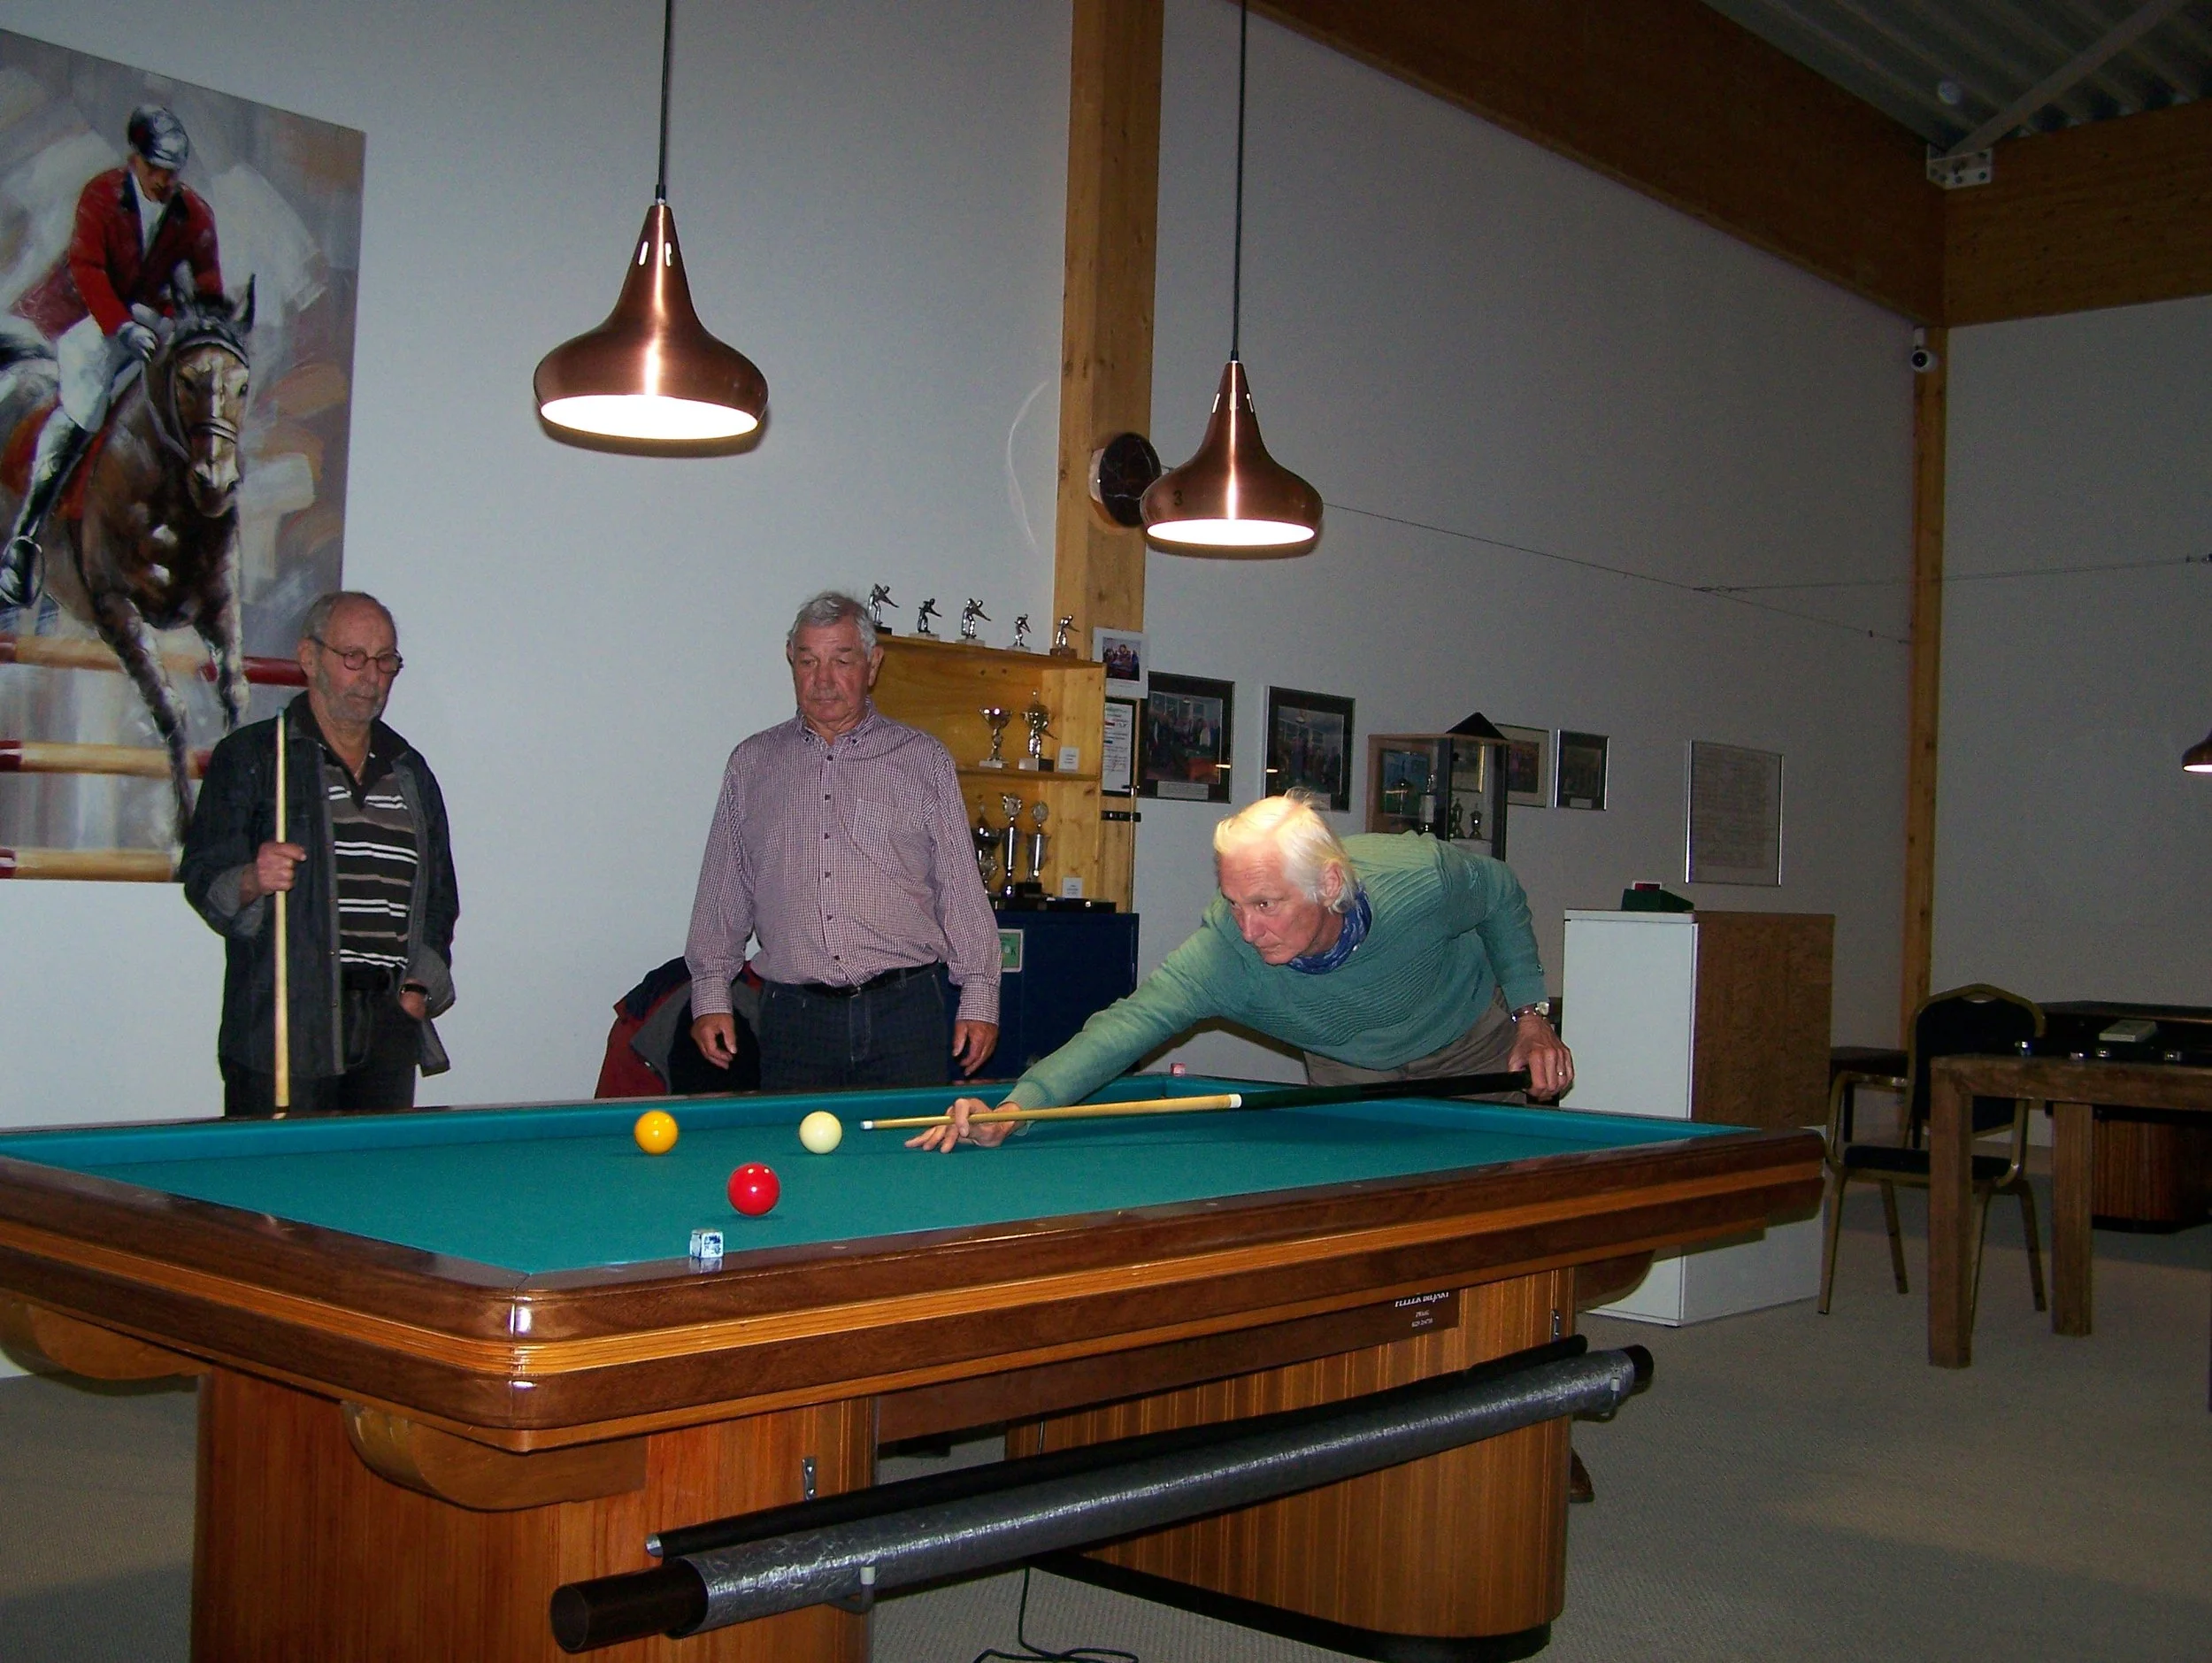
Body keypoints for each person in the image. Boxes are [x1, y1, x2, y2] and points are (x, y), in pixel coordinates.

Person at [917, 789, 1571, 1148]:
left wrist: (1532, 1015)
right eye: (1234, 902)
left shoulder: (1418, 879)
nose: (1248, 928)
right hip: (1352, 1065)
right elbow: (1126, 1026)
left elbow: (1501, 893)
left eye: (1266, 904)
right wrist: (1021, 1105)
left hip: (1467, 1040)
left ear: (1330, 883)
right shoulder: (1226, 951)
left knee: (1503, 1188)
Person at [686, 590, 1000, 1090]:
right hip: (795, 1019)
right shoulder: (752, 763)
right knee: (798, 1161)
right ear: (791, 659)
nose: (823, 680)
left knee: (907, 1162)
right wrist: (710, 994)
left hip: (907, 1013)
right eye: (808, 661)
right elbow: (724, 888)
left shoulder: (923, 760)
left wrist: (980, 997)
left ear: (873, 665)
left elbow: (959, 890)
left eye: (841, 660)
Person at [180, 592, 458, 1116]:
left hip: (386, 1028)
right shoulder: (254, 757)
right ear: (309, 658)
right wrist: (253, 879)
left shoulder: (410, 771)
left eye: (385, 660)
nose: (371, 675)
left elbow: (439, 901)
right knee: (273, 1192)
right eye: (353, 656)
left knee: (372, 1191)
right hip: (284, 1027)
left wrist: (418, 988)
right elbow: (203, 879)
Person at [2, 106, 224, 608]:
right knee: (84, 410)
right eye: (156, 170)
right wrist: (121, 328)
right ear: (135, 161)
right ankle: (25, 537)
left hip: (158, 322)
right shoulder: (102, 195)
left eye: (172, 172)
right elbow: (88, 268)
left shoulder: (196, 214)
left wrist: (193, 331)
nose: (165, 181)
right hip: (92, 320)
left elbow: (207, 285)